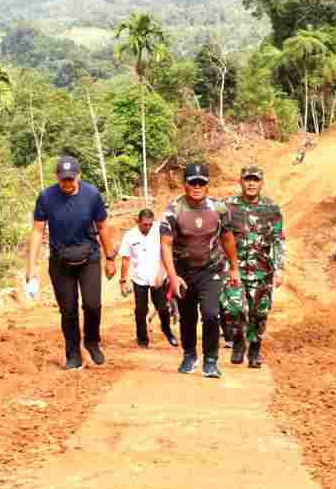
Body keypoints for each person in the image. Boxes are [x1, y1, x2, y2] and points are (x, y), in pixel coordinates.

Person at [26, 156, 117, 370]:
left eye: (71, 179)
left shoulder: (92, 195)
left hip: (90, 258)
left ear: (79, 176)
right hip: (60, 261)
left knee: (92, 305)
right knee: (68, 310)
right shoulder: (46, 197)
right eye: (63, 180)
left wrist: (110, 258)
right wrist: (31, 267)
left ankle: (92, 341)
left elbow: (103, 227)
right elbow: (38, 231)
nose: (67, 184)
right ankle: (73, 353)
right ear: (57, 177)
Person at [160, 162, 240, 379]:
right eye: (192, 182)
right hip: (183, 272)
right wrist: (173, 276)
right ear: (184, 184)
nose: (197, 187)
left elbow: (227, 238)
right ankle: (189, 355)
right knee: (187, 316)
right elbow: (165, 244)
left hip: (211, 270)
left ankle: (211, 360)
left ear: (207, 185)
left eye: (201, 183)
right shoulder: (173, 210)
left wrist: (234, 268)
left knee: (211, 314)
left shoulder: (219, 209)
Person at [221, 165, 286, 369]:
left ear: (261, 183)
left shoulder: (272, 209)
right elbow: (218, 236)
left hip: (262, 270)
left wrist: (280, 268)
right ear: (240, 181)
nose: (251, 183)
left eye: (255, 180)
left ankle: (255, 349)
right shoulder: (228, 207)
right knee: (235, 309)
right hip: (234, 269)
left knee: (259, 313)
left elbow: (278, 240)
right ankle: (239, 342)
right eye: (247, 179)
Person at [119, 208, 178, 348]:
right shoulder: (130, 236)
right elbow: (126, 259)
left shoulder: (159, 231)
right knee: (140, 310)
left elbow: (167, 251)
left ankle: (167, 331)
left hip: (158, 276)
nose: (148, 227)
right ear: (137, 221)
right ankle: (142, 339)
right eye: (145, 224)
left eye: (150, 224)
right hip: (139, 278)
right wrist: (123, 280)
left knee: (163, 308)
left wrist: (162, 272)